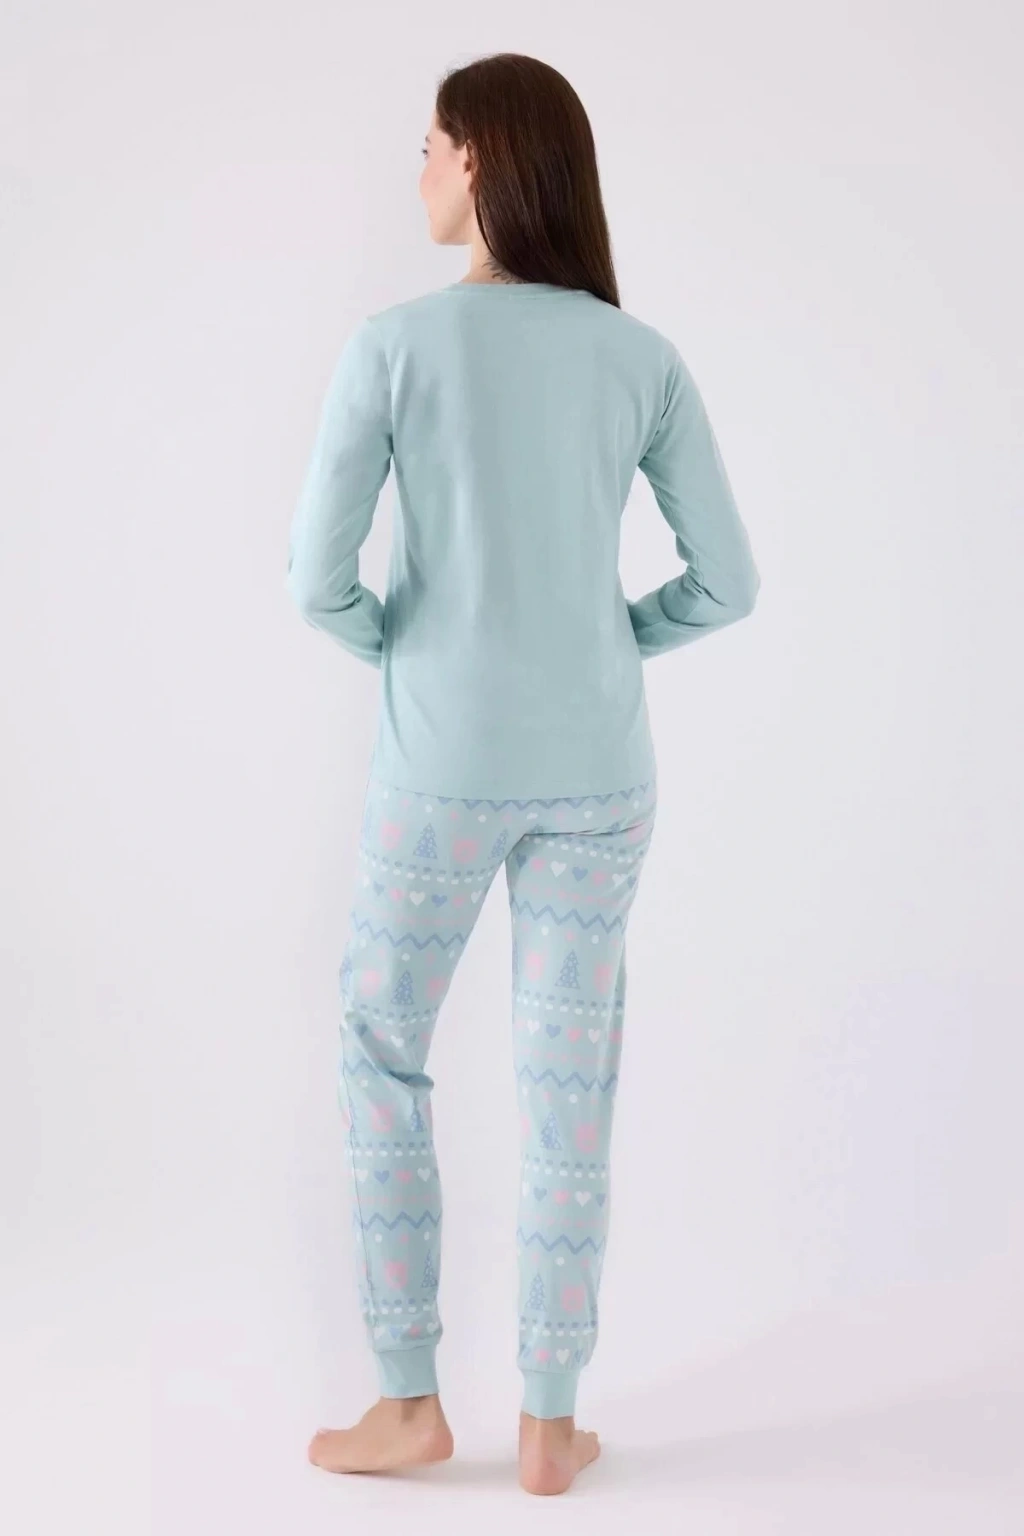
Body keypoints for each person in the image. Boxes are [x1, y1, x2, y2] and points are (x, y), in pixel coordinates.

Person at [286, 51, 760, 1496]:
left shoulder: (393, 346)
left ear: (482, 159)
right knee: (570, 1080)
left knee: (381, 1047)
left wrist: (401, 647)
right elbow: (728, 584)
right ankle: (550, 1423)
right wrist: (614, 641)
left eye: (432, 146)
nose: (420, 171)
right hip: (602, 774)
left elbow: (316, 583)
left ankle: (410, 1402)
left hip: (440, 768)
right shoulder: (641, 357)